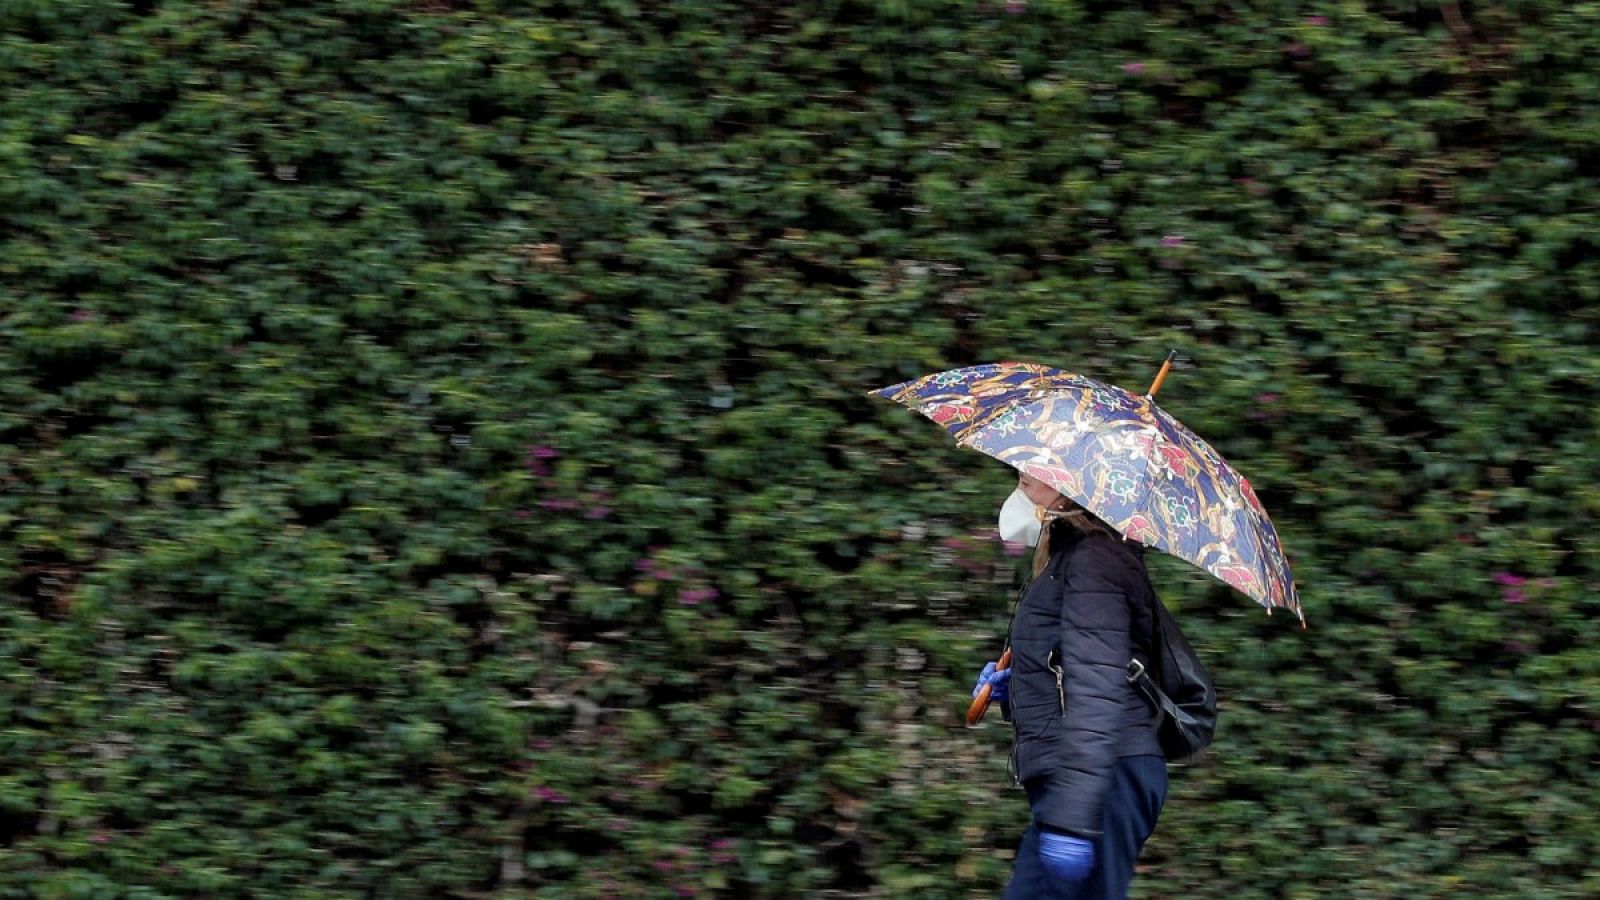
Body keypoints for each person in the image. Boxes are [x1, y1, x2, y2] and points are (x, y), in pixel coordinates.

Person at [973, 472, 1168, 899]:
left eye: (1035, 468)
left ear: (1073, 482)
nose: (1022, 472)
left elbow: (1098, 693)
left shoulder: (1094, 561)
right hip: (1087, 777)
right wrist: (1016, 684)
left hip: (1099, 780)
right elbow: (1066, 663)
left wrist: (1073, 822)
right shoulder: (1069, 557)